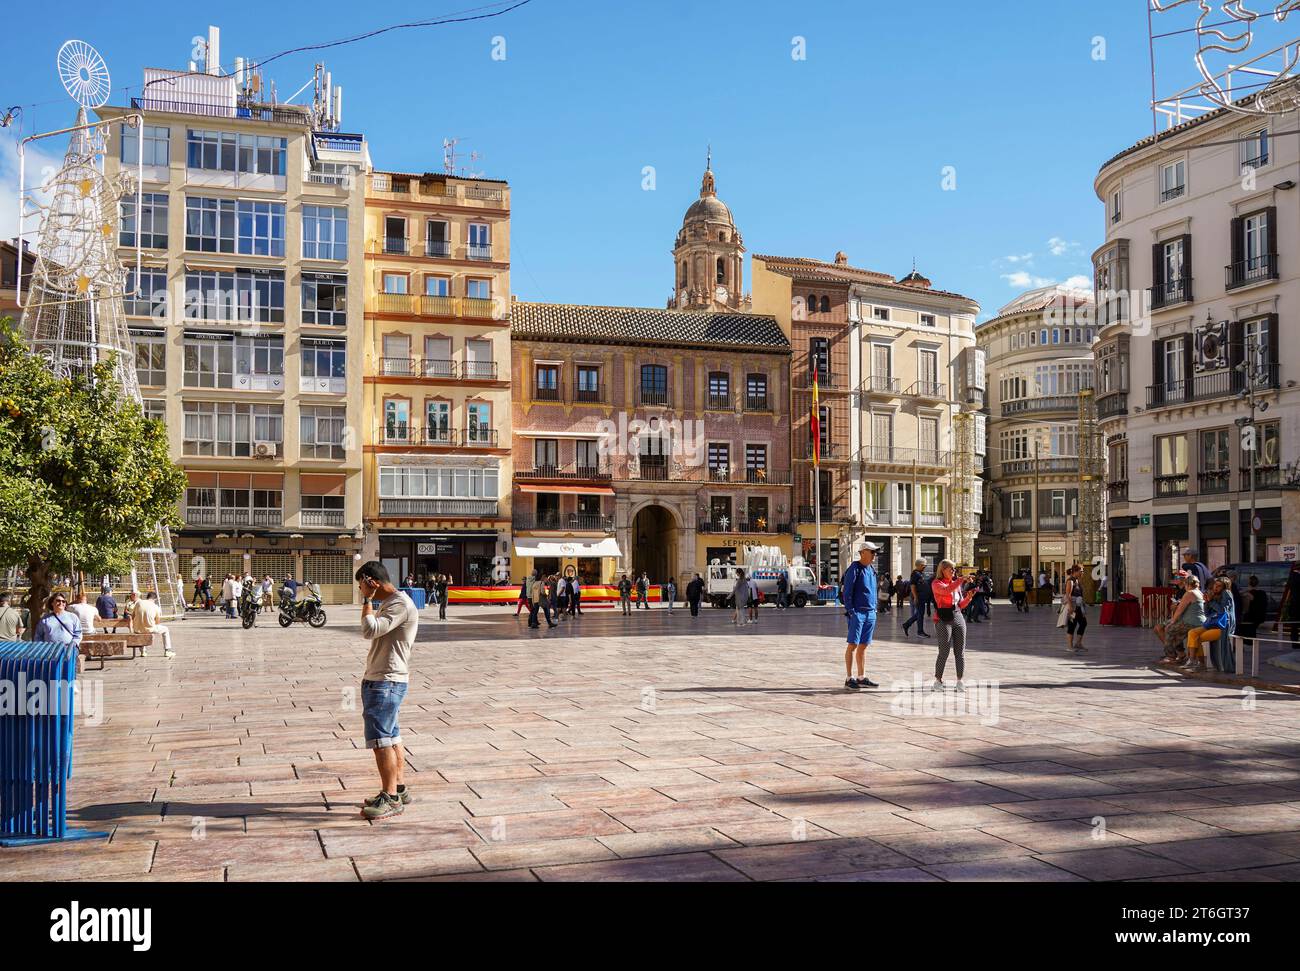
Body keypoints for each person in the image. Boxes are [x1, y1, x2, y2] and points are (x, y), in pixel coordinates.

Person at [355, 561, 419, 821]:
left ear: (372, 582)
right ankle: (399, 788)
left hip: (386, 681)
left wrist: (366, 601)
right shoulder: (393, 602)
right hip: (385, 679)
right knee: (391, 737)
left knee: (381, 740)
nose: (360, 590)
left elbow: (370, 630)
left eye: (362, 585)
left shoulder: (398, 604)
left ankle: (390, 797)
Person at [839, 542, 882, 690]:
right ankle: (849, 678)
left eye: (875, 552)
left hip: (870, 613)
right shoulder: (854, 568)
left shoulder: (871, 569)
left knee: (863, 646)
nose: (874, 555)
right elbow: (847, 592)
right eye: (872, 552)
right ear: (863, 552)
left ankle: (861, 677)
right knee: (853, 644)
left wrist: (875, 609)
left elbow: (874, 590)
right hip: (858, 613)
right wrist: (851, 611)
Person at [930, 560, 976, 692]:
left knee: (960, 652)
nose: (953, 572)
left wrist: (968, 598)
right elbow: (945, 591)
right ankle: (938, 681)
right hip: (943, 619)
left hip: (957, 616)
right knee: (944, 651)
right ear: (943, 570)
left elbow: (959, 604)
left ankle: (960, 681)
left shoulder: (955, 584)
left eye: (954, 569)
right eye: (951, 569)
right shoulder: (936, 583)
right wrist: (961, 580)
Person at [1186, 578, 1236, 674]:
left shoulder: (1226, 593)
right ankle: (1192, 660)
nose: (1216, 588)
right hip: (1212, 623)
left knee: (1198, 638)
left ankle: (1199, 663)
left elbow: (1222, 610)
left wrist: (1211, 601)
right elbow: (1207, 614)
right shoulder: (1214, 595)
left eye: (1219, 586)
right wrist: (1207, 602)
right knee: (1192, 633)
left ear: (1224, 587)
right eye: (1215, 585)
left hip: (1223, 626)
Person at [1156, 574, 1204, 666]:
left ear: (1187, 584)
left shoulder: (1190, 593)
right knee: (1175, 634)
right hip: (1198, 622)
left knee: (1169, 629)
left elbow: (1179, 610)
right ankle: (1180, 655)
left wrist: (1172, 622)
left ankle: (1171, 657)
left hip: (1191, 622)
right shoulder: (1199, 592)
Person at [133, 590, 175, 658]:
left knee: (140, 630)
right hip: (149, 628)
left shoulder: (138, 603)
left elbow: (133, 616)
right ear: (154, 599)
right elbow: (157, 622)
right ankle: (168, 651)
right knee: (166, 630)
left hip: (137, 629)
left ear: (147, 597)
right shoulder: (155, 607)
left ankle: (143, 651)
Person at [1239, 574, 1268, 656]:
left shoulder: (1247, 594)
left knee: (1241, 627)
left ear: (1248, 583)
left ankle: (1244, 644)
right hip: (1260, 617)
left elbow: (1246, 608)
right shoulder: (1262, 593)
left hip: (1251, 617)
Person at [902, 559, 931, 638]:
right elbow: (912, 586)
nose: (925, 567)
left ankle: (907, 624)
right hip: (918, 597)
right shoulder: (915, 574)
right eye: (923, 565)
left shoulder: (920, 573)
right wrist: (915, 597)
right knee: (920, 614)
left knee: (919, 614)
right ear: (918, 565)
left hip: (921, 597)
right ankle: (920, 632)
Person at [1274, 562, 1300, 649]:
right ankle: (1295, 643)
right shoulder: (1296, 577)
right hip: (1296, 605)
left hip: (1294, 605)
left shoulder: (1292, 576)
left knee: (1294, 626)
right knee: (1295, 625)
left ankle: (1295, 642)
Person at [1064, 563, 1088, 652]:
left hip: (1079, 607)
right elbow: (1068, 594)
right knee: (1072, 625)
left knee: (1083, 623)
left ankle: (1078, 643)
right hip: (1073, 607)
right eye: (1081, 571)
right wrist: (1070, 607)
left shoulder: (1077, 580)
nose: (1082, 573)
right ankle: (1070, 646)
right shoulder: (1070, 580)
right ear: (1075, 571)